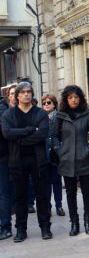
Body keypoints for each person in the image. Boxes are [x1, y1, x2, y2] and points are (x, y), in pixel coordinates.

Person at [3, 81, 51, 243]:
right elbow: (7, 133)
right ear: (16, 96)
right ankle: (21, 230)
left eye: (29, 91)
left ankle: (45, 227)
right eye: (22, 92)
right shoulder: (8, 115)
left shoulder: (40, 114)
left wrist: (20, 138)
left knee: (42, 195)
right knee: (20, 197)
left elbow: (43, 133)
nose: (26, 94)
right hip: (17, 161)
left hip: (38, 161)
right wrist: (29, 130)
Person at [51, 85, 89, 236]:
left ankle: (88, 221)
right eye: (70, 97)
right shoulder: (60, 115)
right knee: (71, 193)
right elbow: (54, 137)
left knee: (87, 192)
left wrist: (88, 150)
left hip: (83, 159)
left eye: (76, 97)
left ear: (80, 98)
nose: (73, 100)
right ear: (66, 99)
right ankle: (74, 223)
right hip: (66, 160)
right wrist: (60, 151)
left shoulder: (87, 113)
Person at [42, 94, 64, 217]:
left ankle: (59, 205)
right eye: (44, 103)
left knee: (56, 181)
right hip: (44, 154)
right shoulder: (40, 117)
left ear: (54, 104)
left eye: (48, 102)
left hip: (56, 154)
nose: (46, 105)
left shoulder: (59, 117)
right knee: (46, 183)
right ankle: (48, 207)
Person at [0, 93, 10, 240]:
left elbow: (5, 133)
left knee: (3, 193)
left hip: (1, 158)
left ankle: (5, 226)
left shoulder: (2, 109)